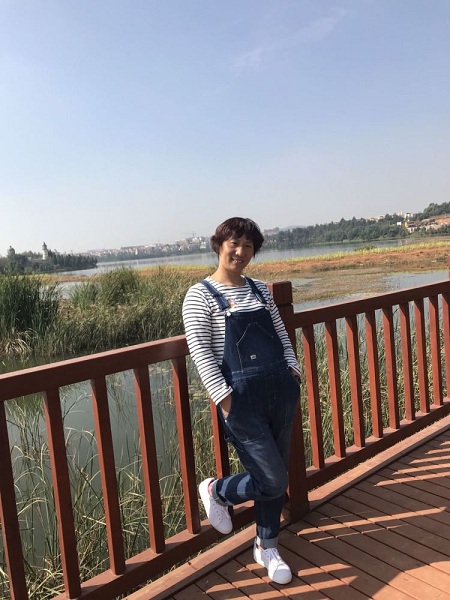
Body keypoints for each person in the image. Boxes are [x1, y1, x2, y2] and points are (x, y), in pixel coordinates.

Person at [182, 217, 301, 584]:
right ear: (219, 245)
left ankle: (267, 546)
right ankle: (217, 490)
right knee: (273, 479)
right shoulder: (200, 295)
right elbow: (201, 353)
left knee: (276, 476)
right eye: (234, 243)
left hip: (281, 393)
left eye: (249, 246)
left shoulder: (259, 290)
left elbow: (281, 334)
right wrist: (226, 401)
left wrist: (293, 372)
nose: (241, 252)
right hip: (241, 402)